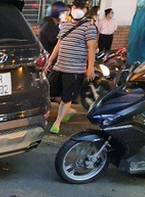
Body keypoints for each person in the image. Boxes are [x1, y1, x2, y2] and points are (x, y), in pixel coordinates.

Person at [46, 0, 97, 134]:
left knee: (66, 98)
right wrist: (50, 61)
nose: (78, 9)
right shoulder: (66, 25)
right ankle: (67, 111)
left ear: (86, 10)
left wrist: (90, 67)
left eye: (81, 7)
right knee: (49, 93)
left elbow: (91, 48)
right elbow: (59, 44)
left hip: (74, 70)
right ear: (71, 8)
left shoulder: (89, 27)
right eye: (76, 6)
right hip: (59, 67)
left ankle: (57, 123)